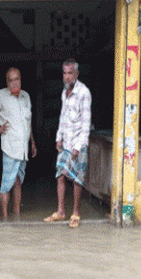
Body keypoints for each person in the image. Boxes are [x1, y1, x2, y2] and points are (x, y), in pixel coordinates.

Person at [0, 67, 37, 221]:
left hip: (23, 149)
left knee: (18, 181)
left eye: (17, 79)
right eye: (10, 80)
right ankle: (5, 218)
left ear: (21, 79)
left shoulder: (26, 96)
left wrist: (32, 142)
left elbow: (28, 122)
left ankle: (16, 215)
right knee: (6, 184)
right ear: (7, 82)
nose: (14, 82)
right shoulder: (0, 96)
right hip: (10, 148)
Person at [44, 58, 92, 228]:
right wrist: (59, 137)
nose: (67, 76)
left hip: (78, 142)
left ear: (77, 74)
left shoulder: (84, 93)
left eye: (70, 73)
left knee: (77, 179)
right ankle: (61, 211)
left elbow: (86, 124)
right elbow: (62, 117)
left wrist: (78, 147)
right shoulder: (64, 93)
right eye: (64, 73)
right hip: (66, 142)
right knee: (60, 175)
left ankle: (76, 213)